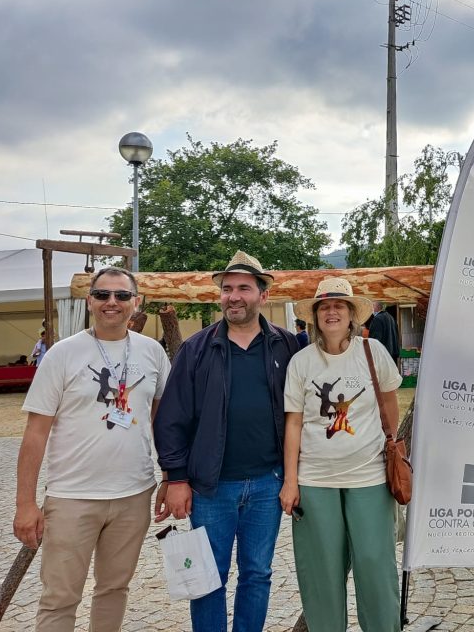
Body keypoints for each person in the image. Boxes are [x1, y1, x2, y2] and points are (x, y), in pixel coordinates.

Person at [13, 267, 169, 632]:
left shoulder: (153, 352)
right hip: (72, 496)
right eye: (102, 295)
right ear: (89, 301)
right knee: (59, 598)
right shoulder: (63, 354)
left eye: (121, 295)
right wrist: (25, 504)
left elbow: (163, 423)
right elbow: (35, 433)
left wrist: (169, 477)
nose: (111, 303)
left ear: (137, 302)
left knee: (114, 588)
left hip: (133, 493)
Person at [155, 250, 298, 632]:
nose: (234, 296)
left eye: (244, 288)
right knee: (207, 578)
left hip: (268, 483)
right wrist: (177, 478)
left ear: (263, 296)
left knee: (257, 574)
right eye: (227, 288)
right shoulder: (197, 349)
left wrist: (291, 477)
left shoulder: (287, 346)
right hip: (211, 487)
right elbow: (171, 419)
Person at [281, 277, 402, 632]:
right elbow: (293, 424)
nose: (331, 311)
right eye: (324, 307)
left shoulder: (373, 352)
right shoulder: (302, 362)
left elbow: (390, 408)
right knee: (321, 572)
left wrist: (385, 447)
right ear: (316, 316)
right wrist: (291, 481)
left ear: (352, 314)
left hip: (369, 476)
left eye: (339, 305)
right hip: (315, 479)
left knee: (375, 566)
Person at [367, 300, 400, 365]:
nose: (371, 309)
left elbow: (374, 341)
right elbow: (396, 336)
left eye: (372, 306)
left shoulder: (377, 319)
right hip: (392, 355)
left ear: (375, 307)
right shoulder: (391, 317)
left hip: (382, 357)